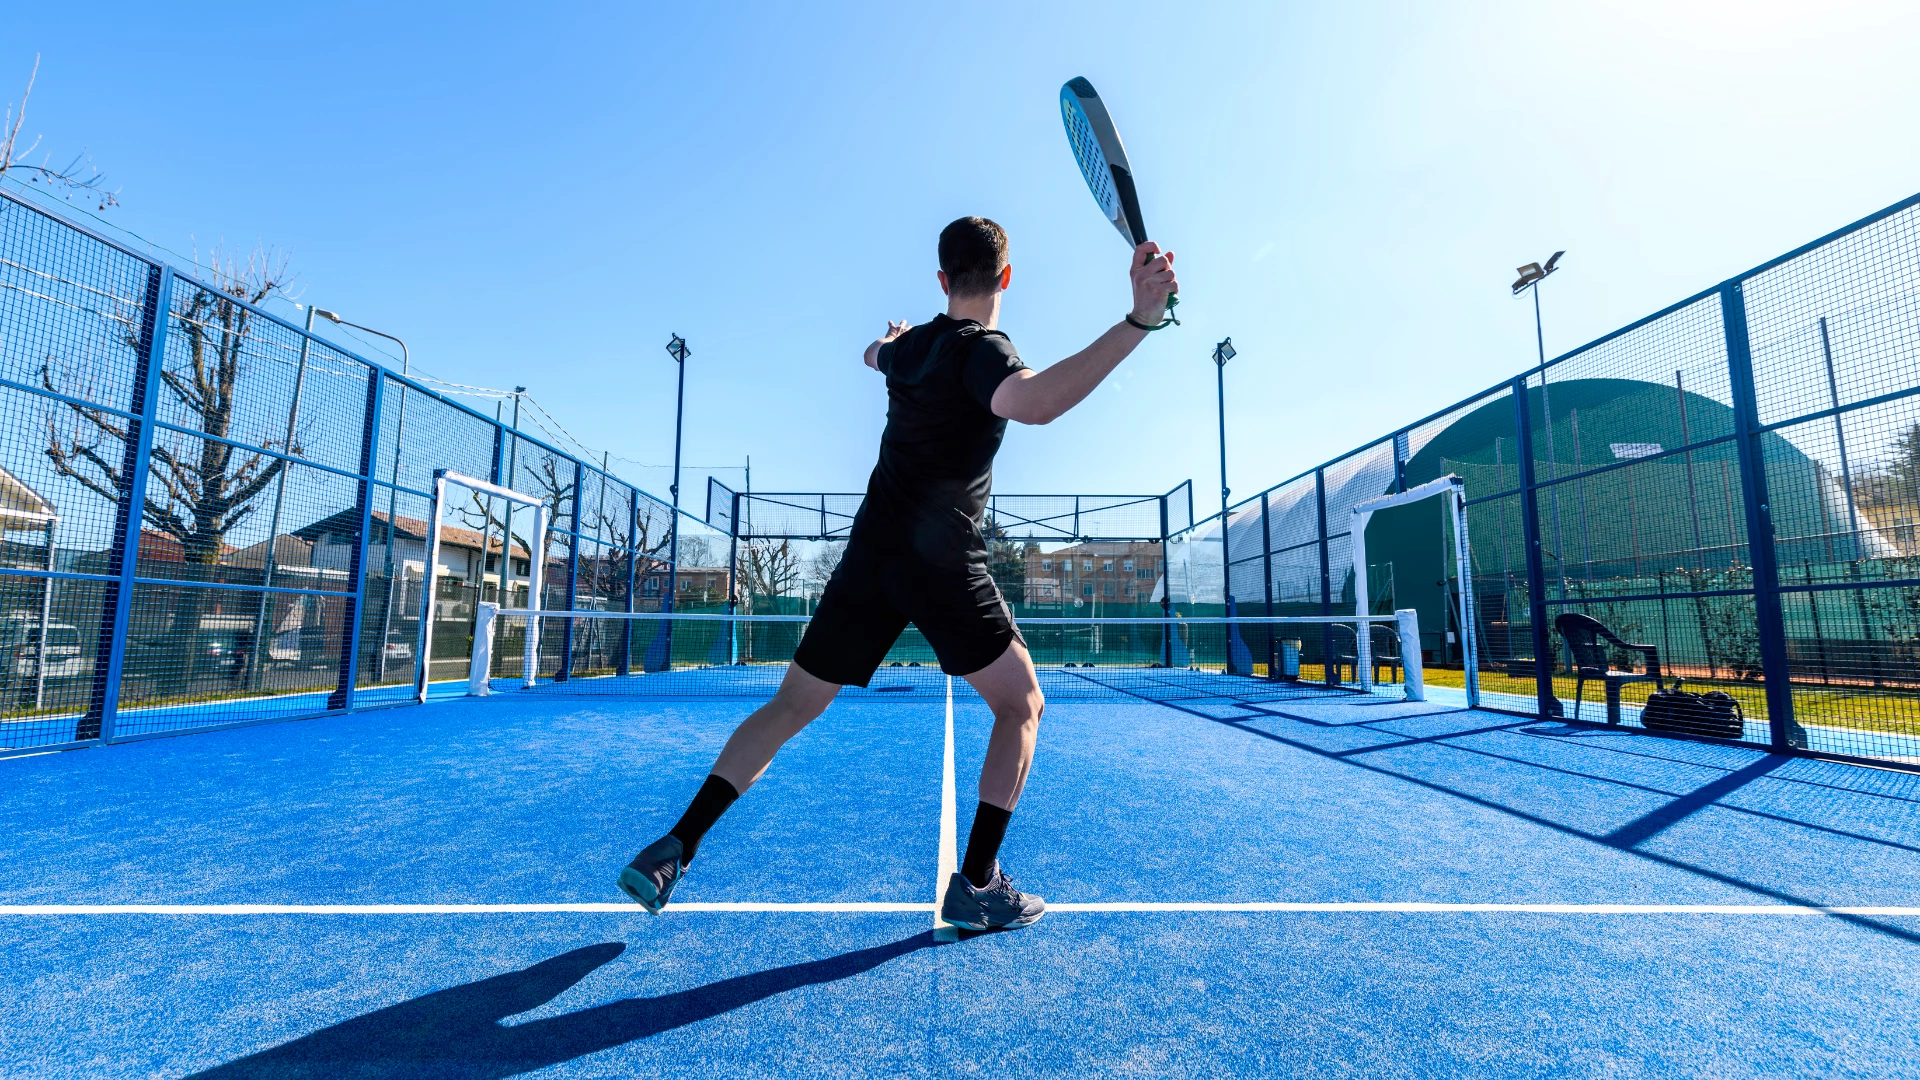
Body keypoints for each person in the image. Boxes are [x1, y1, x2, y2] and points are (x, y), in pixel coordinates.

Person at [619, 216, 1178, 929]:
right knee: (1022, 705)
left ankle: (676, 845)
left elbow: (871, 353)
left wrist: (892, 339)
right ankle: (979, 884)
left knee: (790, 706)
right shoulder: (983, 351)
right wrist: (1139, 319)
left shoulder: (909, 350)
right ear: (1006, 278)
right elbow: (1035, 403)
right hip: (941, 563)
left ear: (943, 279)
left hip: (871, 558)